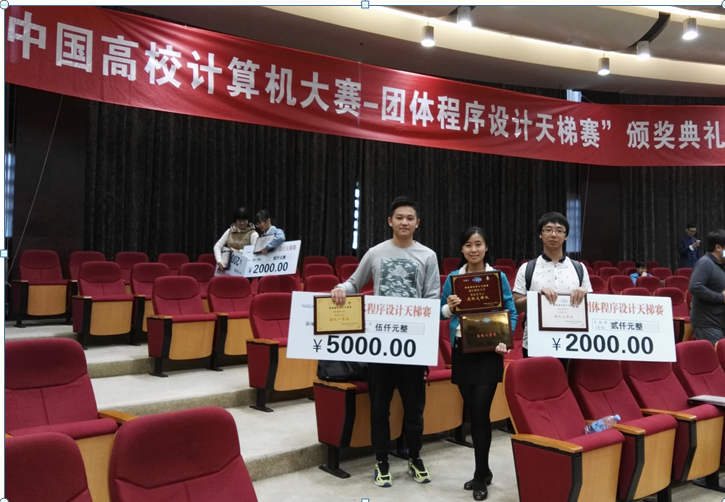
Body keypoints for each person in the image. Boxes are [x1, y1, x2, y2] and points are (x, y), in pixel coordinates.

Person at [331, 196, 439, 488]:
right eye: (399, 217)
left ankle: (415, 457)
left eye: (410, 218)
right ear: (390, 221)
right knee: (379, 408)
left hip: (412, 345)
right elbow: (354, 282)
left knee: (415, 408)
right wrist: (341, 288)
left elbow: (431, 298)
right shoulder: (376, 252)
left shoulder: (428, 256)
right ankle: (381, 461)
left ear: (417, 223)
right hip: (381, 344)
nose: (404, 222)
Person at [440, 227, 517, 501]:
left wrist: (505, 339)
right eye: (468, 245)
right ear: (462, 249)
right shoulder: (453, 278)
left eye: (478, 244)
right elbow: (441, 313)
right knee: (474, 412)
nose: (473, 250)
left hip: (489, 351)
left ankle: (479, 475)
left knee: (480, 411)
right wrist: (450, 306)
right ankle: (485, 471)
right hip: (463, 351)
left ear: (486, 247)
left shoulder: (498, 277)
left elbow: (511, 311)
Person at [512, 212, 592, 359]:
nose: (554, 235)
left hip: (573, 343)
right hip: (535, 342)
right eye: (548, 230)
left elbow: (592, 308)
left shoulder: (579, 268)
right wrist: (536, 298)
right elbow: (515, 307)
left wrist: (585, 294)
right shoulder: (527, 268)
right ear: (540, 234)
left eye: (559, 231)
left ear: (566, 236)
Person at [689, 229, 725, 345]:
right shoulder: (705, 263)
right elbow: (695, 287)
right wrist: (721, 297)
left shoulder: (720, 265)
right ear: (718, 247)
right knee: (716, 356)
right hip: (708, 324)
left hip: (719, 323)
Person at [213, 207, 258, 273]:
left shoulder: (253, 234)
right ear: (235, 221)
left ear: (248, 220)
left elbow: (254, 252)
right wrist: (219, 261)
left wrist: (238, 252)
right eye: (239, 221)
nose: (242, 223)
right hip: (229, 268)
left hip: (245, 269)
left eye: (244, 220)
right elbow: (217, 246)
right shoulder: (229, 231)